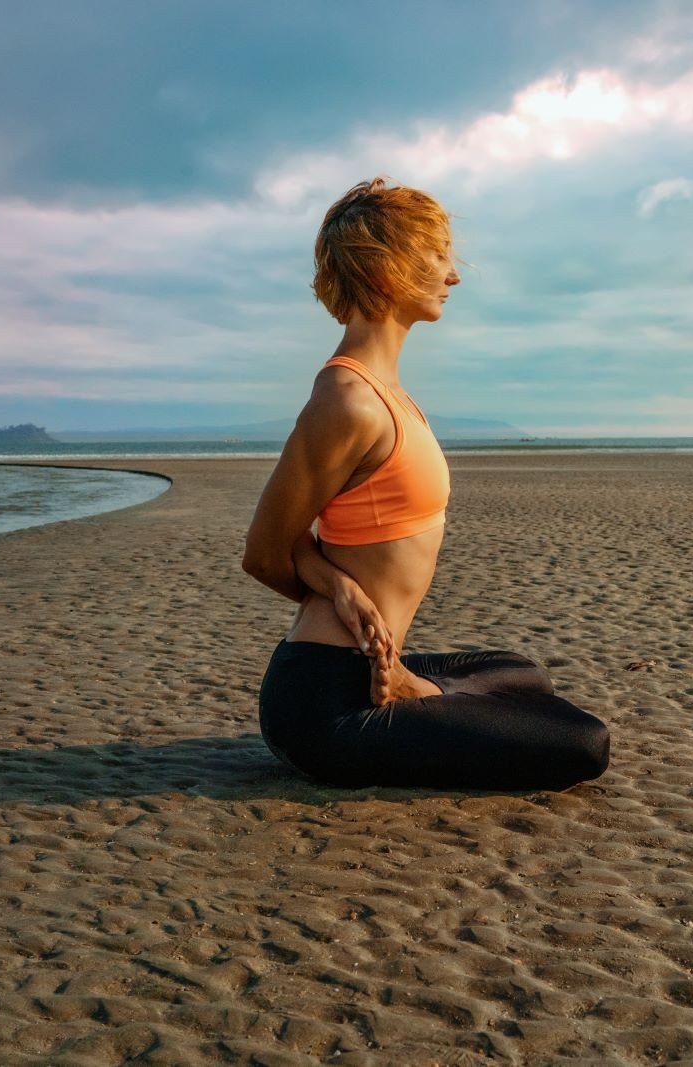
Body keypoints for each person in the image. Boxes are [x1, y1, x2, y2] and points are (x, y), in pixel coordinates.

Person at [242, 177, 610, 791]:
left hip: (362, 666)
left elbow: (293, 542)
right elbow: (263, 551)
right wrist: (341, 591)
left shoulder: (389, 391)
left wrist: (338, 587)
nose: (453, 276)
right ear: (389, 271)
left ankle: (412, 686)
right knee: (583, 743)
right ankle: (406, 691)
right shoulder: (349, 402)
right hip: (325, 708)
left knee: (524, 676)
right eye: (438, 258)